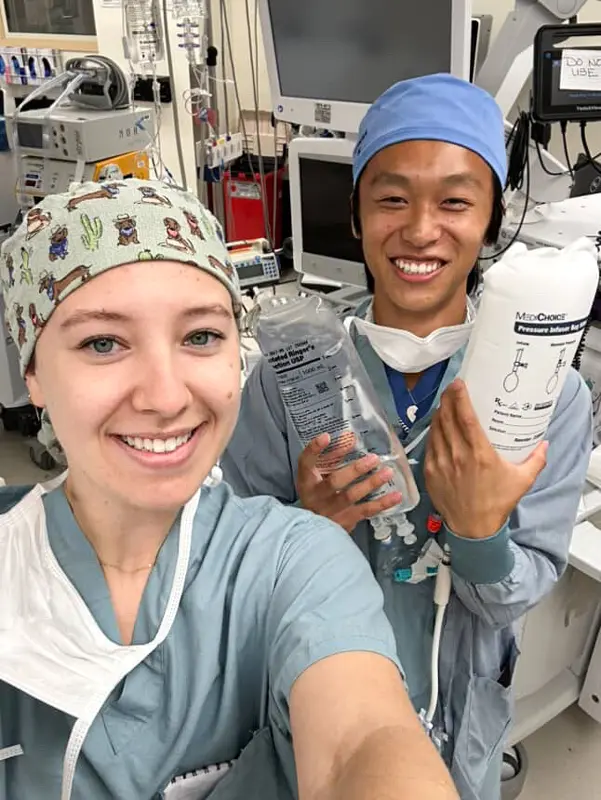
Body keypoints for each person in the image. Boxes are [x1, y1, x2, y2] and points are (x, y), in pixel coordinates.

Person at [0, 179, 460, 800]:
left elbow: (364, 740)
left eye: (200, 337)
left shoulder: (293, 559)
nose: (165, 397)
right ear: (33, 373)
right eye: (102, 343)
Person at [221, 74, 593, 800]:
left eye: (455, 201)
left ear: (489, 221)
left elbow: (514, 597)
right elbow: (233, 571)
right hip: (314, 704)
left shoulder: (548, 395)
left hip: (456, 713)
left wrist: (479, 531)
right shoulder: (290, 378)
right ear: (356, 216)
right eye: (391, 198)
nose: (420, 230)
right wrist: (305, 528)